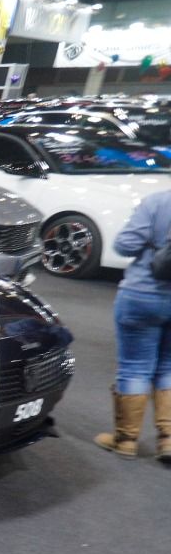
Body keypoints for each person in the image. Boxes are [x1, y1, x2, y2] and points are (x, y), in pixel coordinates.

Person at [96, 186, 171, 462]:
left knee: (135, 367)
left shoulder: (157, 202)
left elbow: (125, 245)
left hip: (143, 295)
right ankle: (167, 438)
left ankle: (126, 440)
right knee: (168, 366)